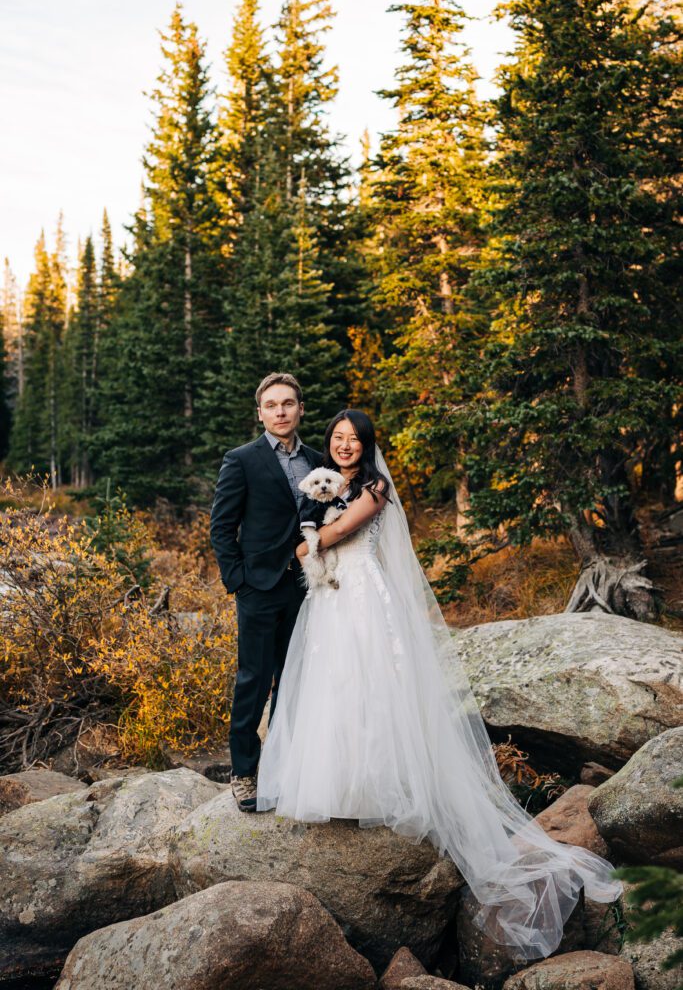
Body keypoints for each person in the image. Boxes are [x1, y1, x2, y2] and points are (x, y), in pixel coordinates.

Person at [256, 408, 623, 963]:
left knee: (369, 683)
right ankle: (339, 783)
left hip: (361, 595)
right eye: (337, 439)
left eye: (354, 439)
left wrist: (306, 542)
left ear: (367, 445)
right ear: (328, 444)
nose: (345, 446)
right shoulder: (324, 482)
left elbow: (327, 537)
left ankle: (378, 783)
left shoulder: (375, 488)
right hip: (330, 600)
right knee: (332, 685)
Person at [210, 373, 322, 811]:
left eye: (288, 404)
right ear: (260, 412)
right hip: (257, 588)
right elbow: (221, 527)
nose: (280, 411)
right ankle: (243, 773)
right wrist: (237, 579)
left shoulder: (316, 460)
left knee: (293, 681)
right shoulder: (241, 459)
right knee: (252, 681)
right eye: (272, 405)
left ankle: (280, 768)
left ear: (299, 409)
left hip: (304, 588)